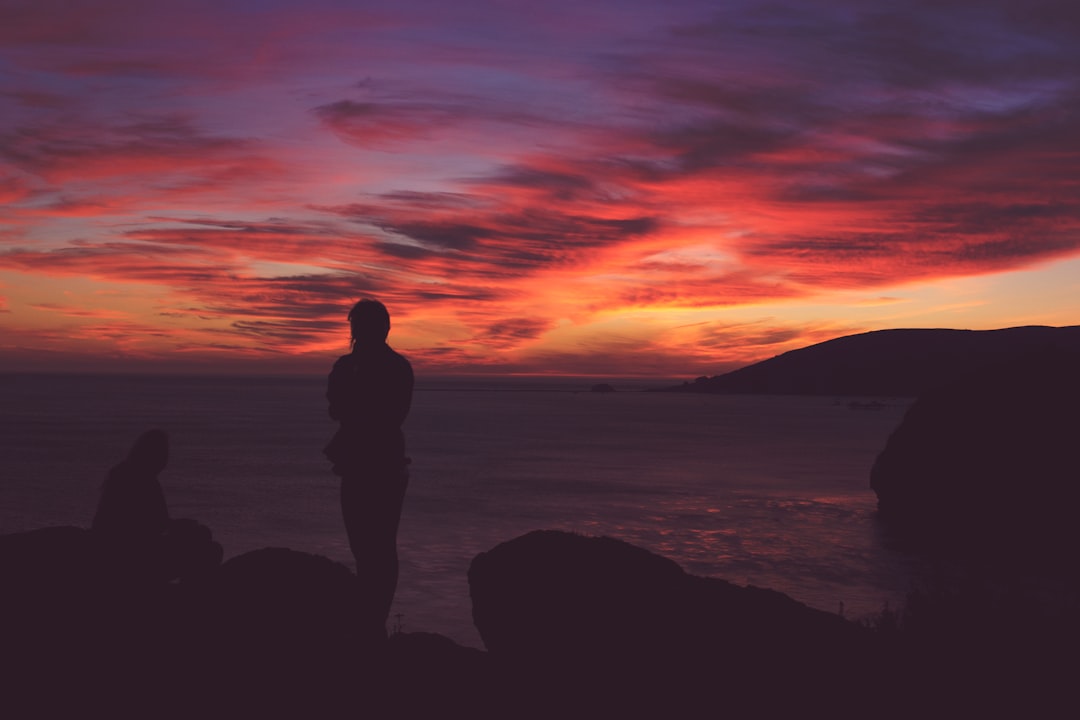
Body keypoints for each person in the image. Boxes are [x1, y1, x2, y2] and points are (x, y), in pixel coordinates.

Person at [324, 299, 414, 641]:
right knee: (366, 545)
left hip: (382, 465)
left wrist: (356, 408)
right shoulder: (350, 366)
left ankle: (373, 620)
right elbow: (337, 406)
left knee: (377, 545)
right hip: (362, 464)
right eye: (356, 326)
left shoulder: (391, 368)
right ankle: (370, 618)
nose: (357, 333)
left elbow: (389, 416)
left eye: (361, 326)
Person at [92, 429, 222, 584]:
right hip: (137, 553)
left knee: (202, 536)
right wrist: (180, 526)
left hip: (121, 548)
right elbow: (154, 526)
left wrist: (176, 525)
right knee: (209, 547)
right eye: (163, 454)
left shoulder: (122, 473)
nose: (165, 460)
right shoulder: (144, 480)